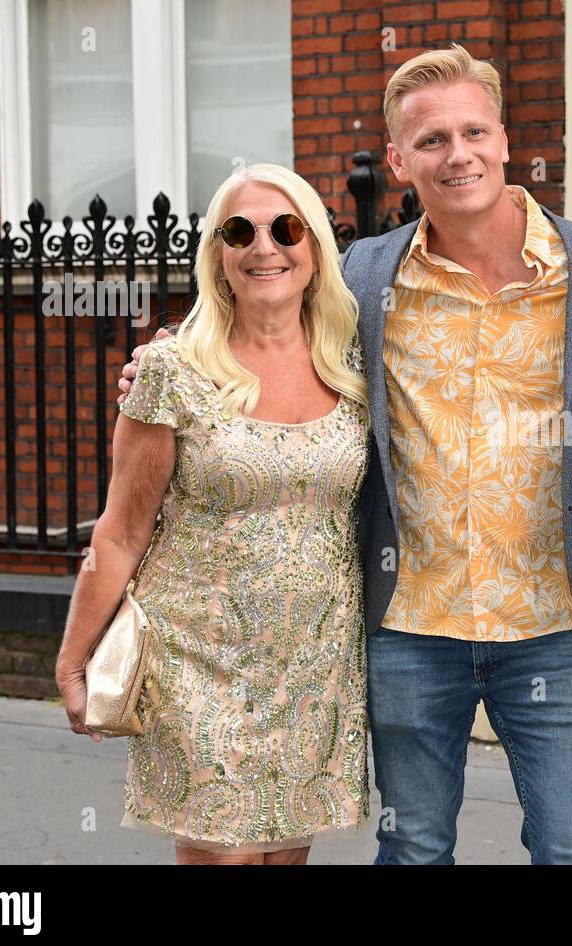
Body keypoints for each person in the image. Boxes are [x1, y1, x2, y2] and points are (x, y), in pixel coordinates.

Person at [121, 45, 572, 864]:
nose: (457, 154)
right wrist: (170, 358)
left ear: (503, 139)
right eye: (432, 140)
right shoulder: (363, 276)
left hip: (557, 621)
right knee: (413, 847)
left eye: (472, 132)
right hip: (412, 625)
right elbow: (271, 338)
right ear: (399, 159)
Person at [58, 163, 370, 865]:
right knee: (222, 855)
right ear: (218, 257)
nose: (265, 247)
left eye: (285, 228)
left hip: (314, 667)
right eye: (240, 231)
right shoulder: (173, 370)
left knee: (285, 857)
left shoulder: (352, 369)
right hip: (196, 659)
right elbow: (120, 529)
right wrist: (75, 660)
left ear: (314, 250)